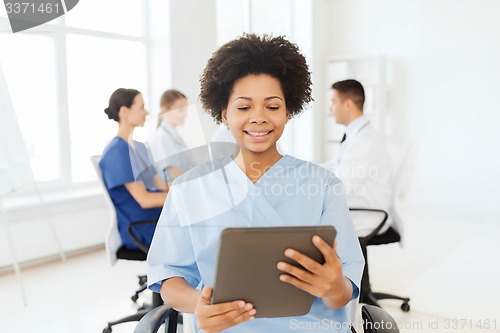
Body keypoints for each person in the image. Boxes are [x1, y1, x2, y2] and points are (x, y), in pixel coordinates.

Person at [147, 34, 364, 333]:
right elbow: (169, 276)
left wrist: (333, 286)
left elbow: (343, 293)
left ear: (289, 111)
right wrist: (198, 303)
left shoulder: (324, 186)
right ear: (224, 113)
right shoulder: (190, 188)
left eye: (272, 107)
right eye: (244, 107)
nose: (259, 118)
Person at [322, 79, 392, 237]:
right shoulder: (356, 135)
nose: (330, 108)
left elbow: (342, 186)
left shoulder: (364, 141)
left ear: (347, 104)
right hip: (357, 207)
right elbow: (335, 165)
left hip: (366, 215)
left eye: (333, 102)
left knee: (306, 225)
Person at [100, 88, 167, 250]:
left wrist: (187, 190)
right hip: (143, 227)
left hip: (161, 217)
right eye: (141, 107)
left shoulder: (141, 148)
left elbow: (162, 186)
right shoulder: (116, 152)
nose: (147, 112)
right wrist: (181, 199)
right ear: (124, 111)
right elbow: (144, 200)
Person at [148, 89, 194, 183]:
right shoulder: (162, 137)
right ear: (165, 110)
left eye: (186, 109)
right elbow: (174, 172)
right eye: (181, 110)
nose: (185, 114)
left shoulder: (173, 136)